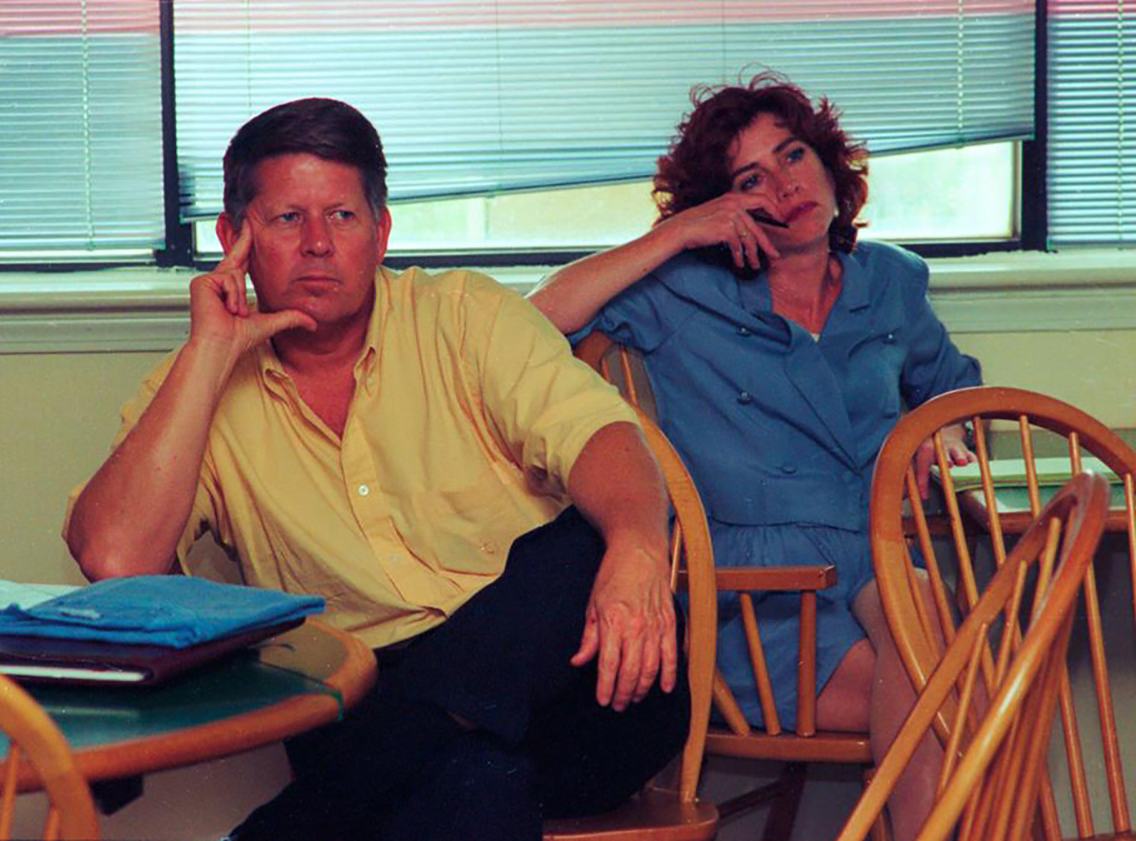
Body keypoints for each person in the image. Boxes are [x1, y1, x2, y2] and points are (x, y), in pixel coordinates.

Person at [63, 97, 689, 841]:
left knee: (582, 544)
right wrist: (207, 352)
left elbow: (603, 437)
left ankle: (296, 824)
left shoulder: (464, 314)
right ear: (234, 238)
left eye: (343, 216)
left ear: (382, 230)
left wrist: (639, 548)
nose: (319, 243)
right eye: (287, 219)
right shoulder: (194, 388)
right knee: (475, 784)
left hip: (578, 681)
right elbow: (114, 555)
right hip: (368, 693)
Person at [528, 72, 981, 841]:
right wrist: (674, 234)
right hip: (761, 599)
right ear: (724, 203)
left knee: (938, 632)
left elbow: (953, 387)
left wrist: (946, 432)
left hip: (877, 561)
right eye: (750, 178)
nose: (785, 184)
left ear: (832, 166)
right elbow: (533, 325)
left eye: (795, 155)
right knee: (975, 697)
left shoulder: (892, 282)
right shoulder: (681, 292)